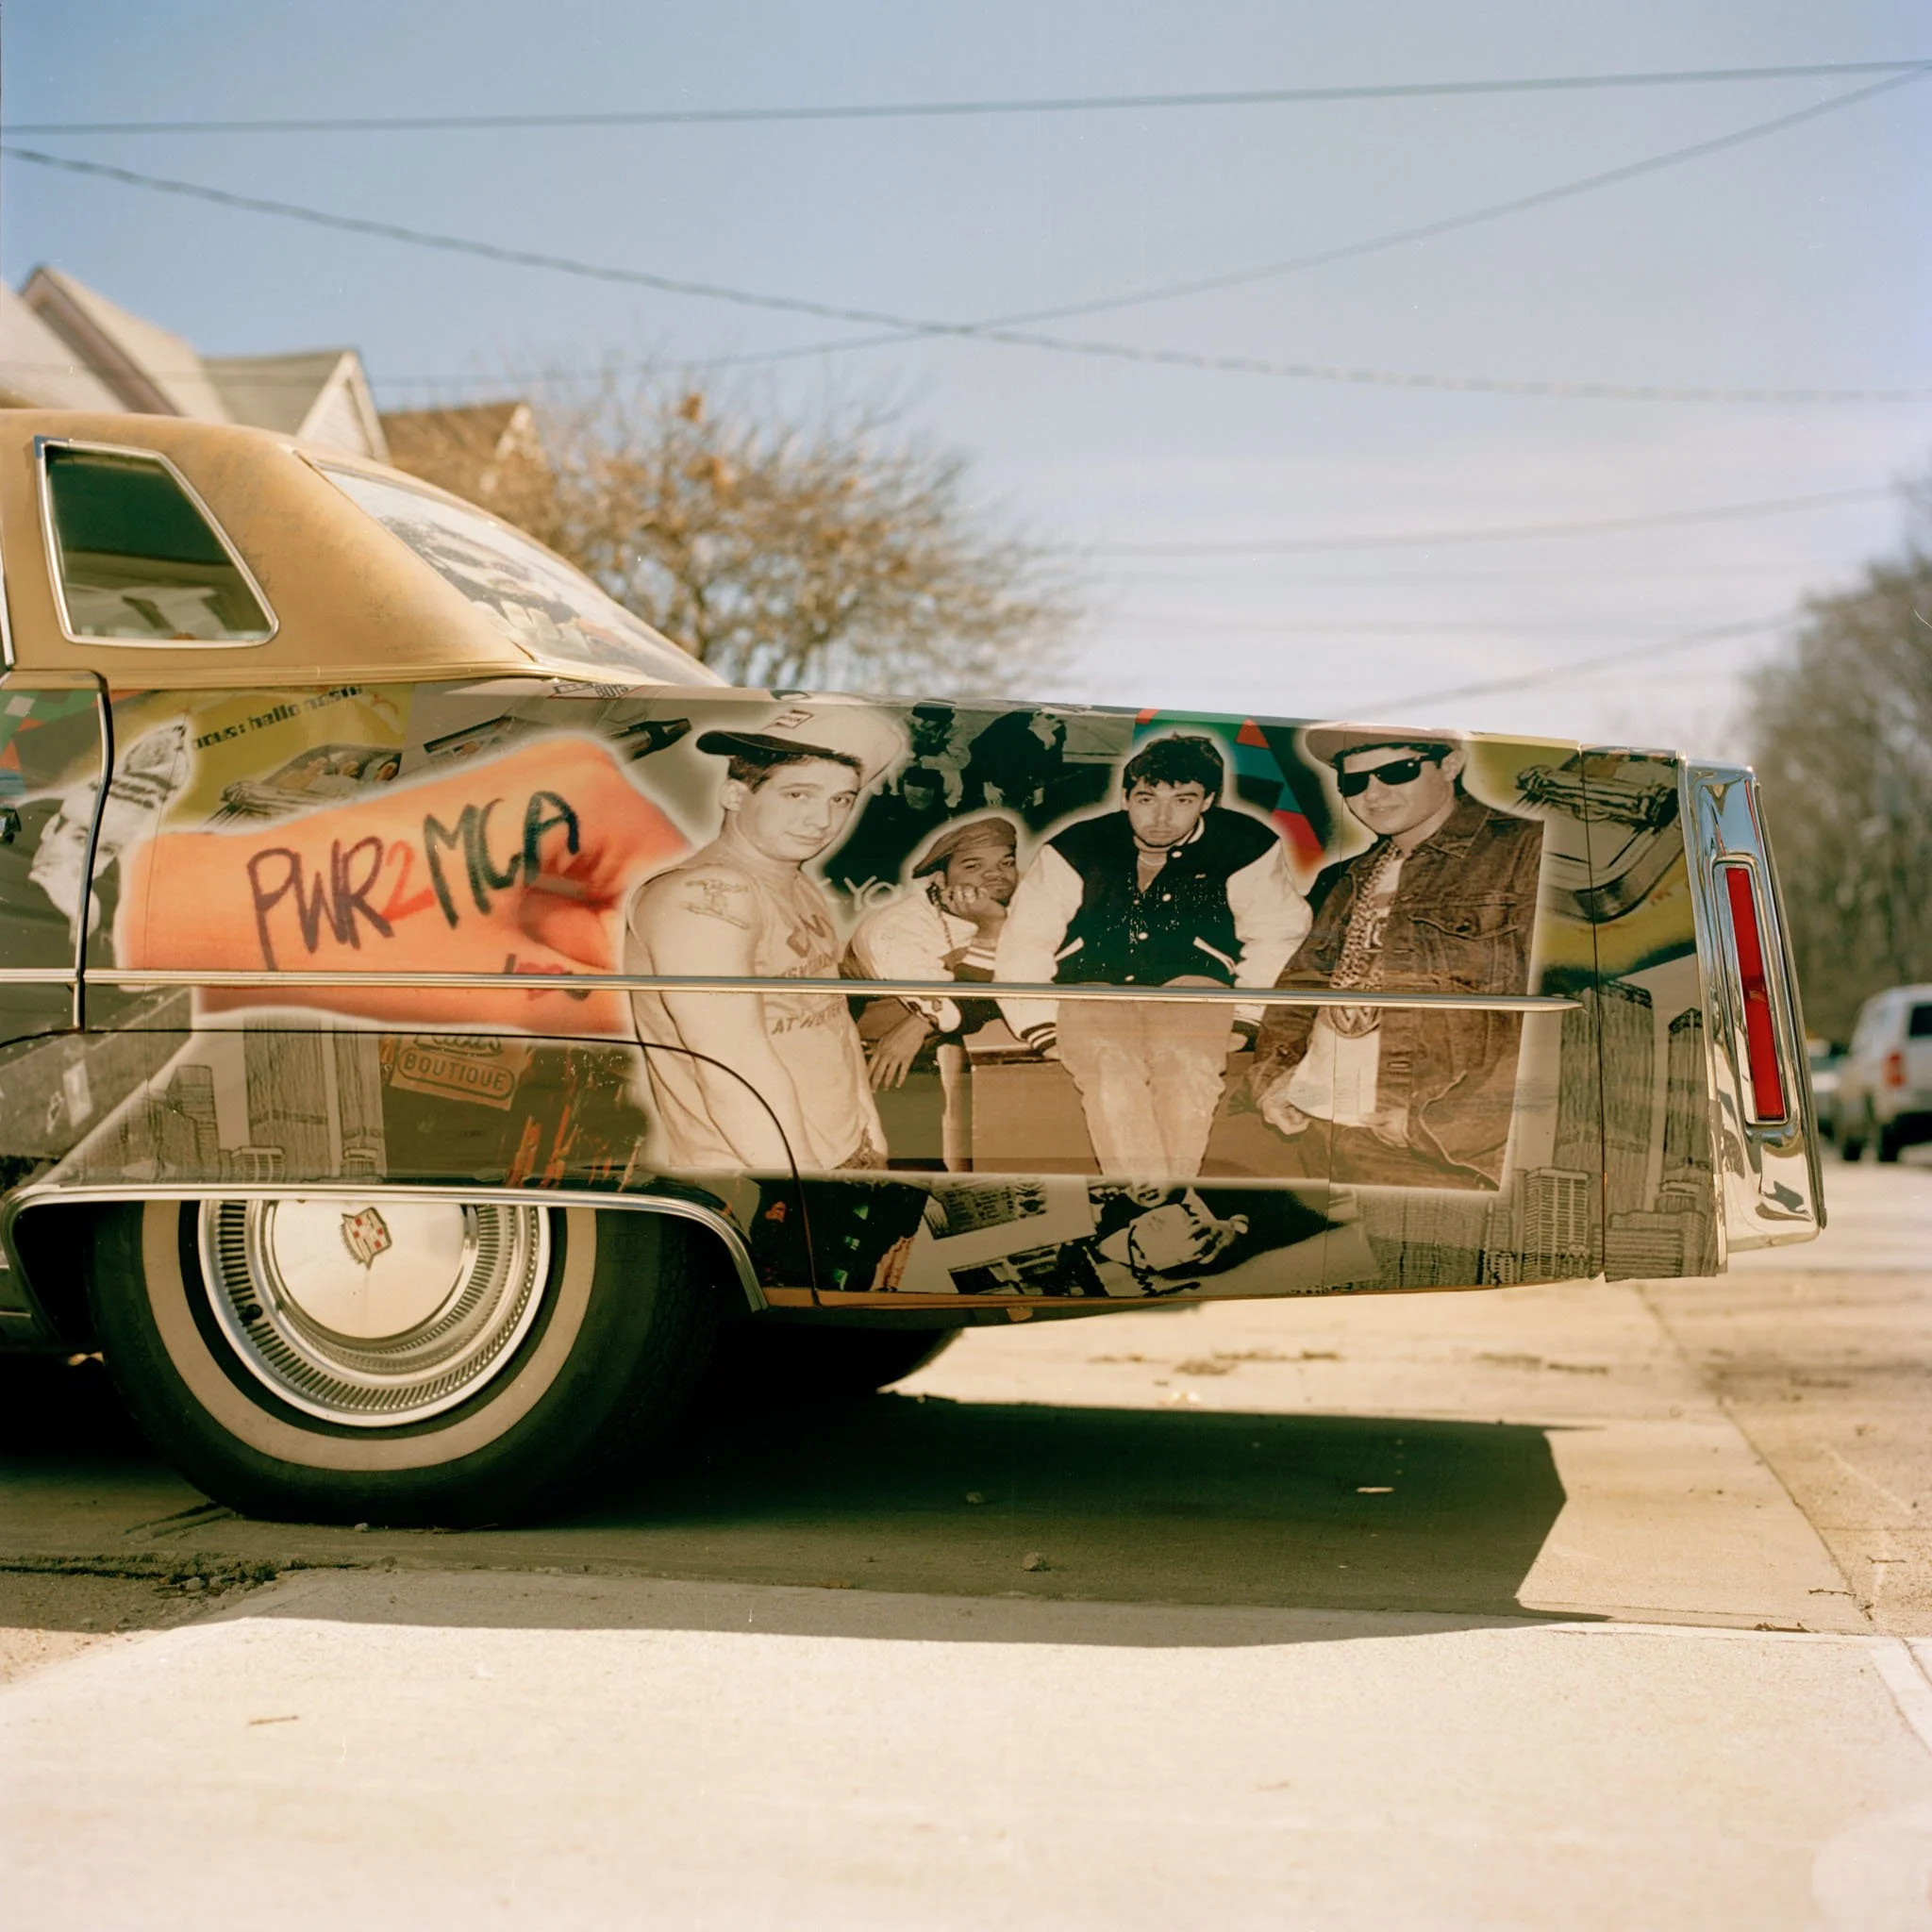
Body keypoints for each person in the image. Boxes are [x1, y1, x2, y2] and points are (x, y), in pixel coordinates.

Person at [995, 733, 1310, 1178]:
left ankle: (1164, 1196)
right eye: (1147, 799)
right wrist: (1038, 1023)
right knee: (1110, 1068)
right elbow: (1026, 939)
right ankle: (1148, 1198)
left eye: (1183, 800)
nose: (1161, 817)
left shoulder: (1246, 844)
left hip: (1193, 984)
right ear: (1126, 797)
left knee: (1188, 1071)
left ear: (1208, 801)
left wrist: (1247, 1017)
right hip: (1093, 984)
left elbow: (1277, 934)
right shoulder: (1077, 845)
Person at [1250, 724, 1545, 1188]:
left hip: (1426, 1152)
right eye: (1355, 781)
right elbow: (1304, 983)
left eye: (1396, 772)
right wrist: (1275, 1076)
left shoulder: (1527, 851)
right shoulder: (1354, 874)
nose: (1373, 794)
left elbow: (1556, 1022)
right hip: (1321, 1128)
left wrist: (1441, 1125)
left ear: (1450, 765)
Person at [625, 702, 908, 1174]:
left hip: (839, 1155)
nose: (822, 820)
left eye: (841, 799)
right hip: (761, 1175)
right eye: (798, 795)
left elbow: (831, 1019)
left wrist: (868, 1129)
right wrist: (806, 1191)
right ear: (735, 794)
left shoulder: (796, 883)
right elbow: (732, 1067)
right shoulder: (707, 896)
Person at [844, 813, 1021, 1168]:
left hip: (945, 1047)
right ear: (940, 879)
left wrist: (920, 1022)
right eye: (973, 866)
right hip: (884, 1063)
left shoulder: (1021, 903)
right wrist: (990, 929)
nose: (995, 875)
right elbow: (952, 1012)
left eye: (1006, 862)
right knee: (911, 1168)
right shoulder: (896, 930)